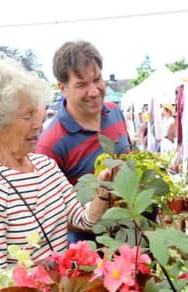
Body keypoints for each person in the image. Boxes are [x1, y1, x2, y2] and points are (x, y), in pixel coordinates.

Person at [0, 56, 113, 285]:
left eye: (37, 113)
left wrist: (103, 189)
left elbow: (83, 220)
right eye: (27, 116)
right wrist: (46, 277)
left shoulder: (45, 166)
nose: (38, 124)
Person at [35, 40, 131, 242]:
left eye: (97, 79)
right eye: (81, 84)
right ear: (63, 88)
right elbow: (49, 215)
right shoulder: (50, 144)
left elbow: (130, 160)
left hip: (133, 236)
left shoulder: (115, 113)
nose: (94, 91)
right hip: (89, 253)